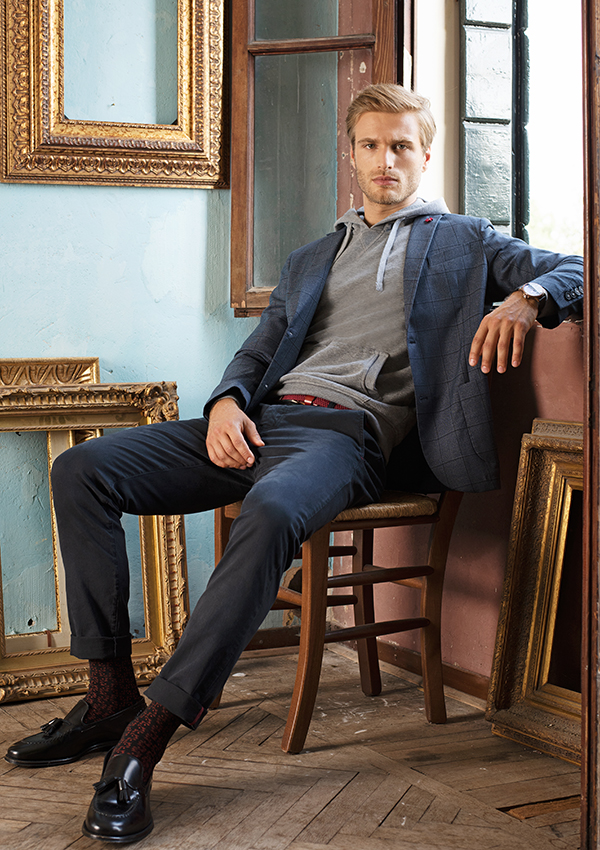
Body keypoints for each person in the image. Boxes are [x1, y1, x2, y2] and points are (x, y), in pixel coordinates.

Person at [5, 84, 583, 843]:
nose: (385, 160)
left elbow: (577, 268)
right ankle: (109, 695)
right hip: (262, 421)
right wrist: (225, 403)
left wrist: (525, 299)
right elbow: (256, 353)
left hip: (345, 437)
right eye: (371, 145)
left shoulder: (465, 241)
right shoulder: (314, 256)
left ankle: (144, 738)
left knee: (274, 509)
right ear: (352, 154)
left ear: (426, 153)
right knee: (83, 470)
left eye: (401, 145)